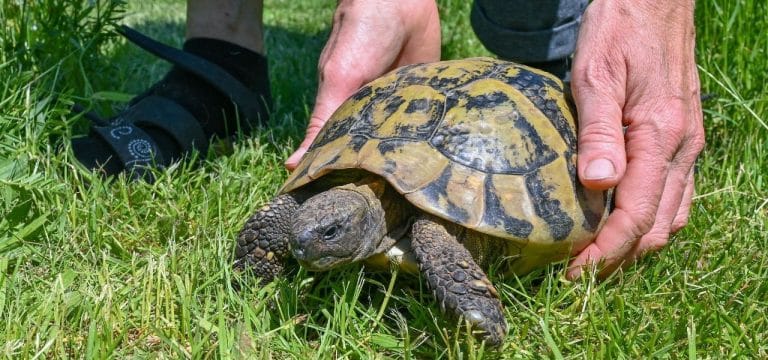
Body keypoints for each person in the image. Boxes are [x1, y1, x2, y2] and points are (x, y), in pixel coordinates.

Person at [72, 0, 704, 279]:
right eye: (319, 230)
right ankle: (223, 49)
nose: (303, 238)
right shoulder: (318, 217)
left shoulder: (429, 231)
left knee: (531, 33)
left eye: (325, 234)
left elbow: (431, 225)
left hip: (509, 127)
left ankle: (571, 58)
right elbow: (292, 221)